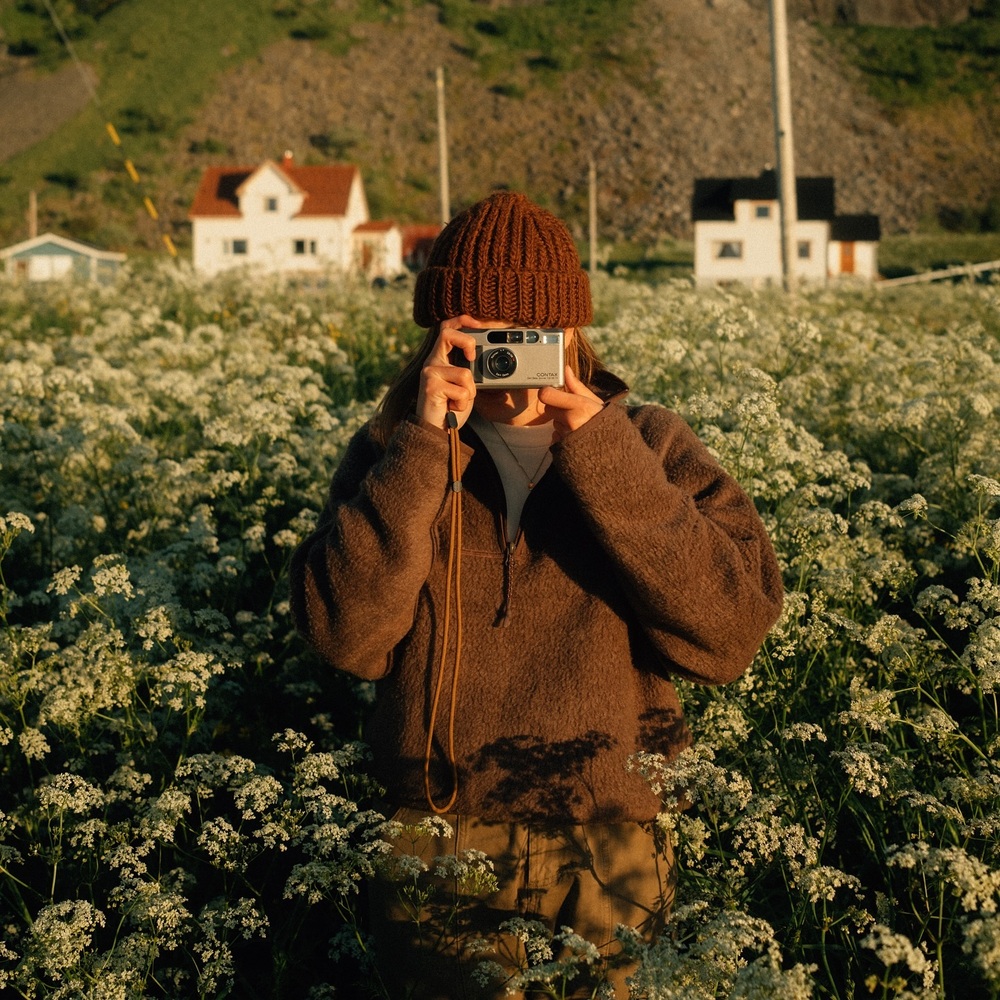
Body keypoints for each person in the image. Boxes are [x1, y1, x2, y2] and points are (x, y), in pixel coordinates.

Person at [290, 190, 783, 999]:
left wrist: (602, 451)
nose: (507, 353)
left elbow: (728, 635)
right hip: (437, 842)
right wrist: (422, 447)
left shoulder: (650, 442)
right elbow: (346, 635)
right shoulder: (395, 449)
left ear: (569, 332)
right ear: (438, 335)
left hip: (612, 845)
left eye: (528, 332)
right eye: (482, 333)